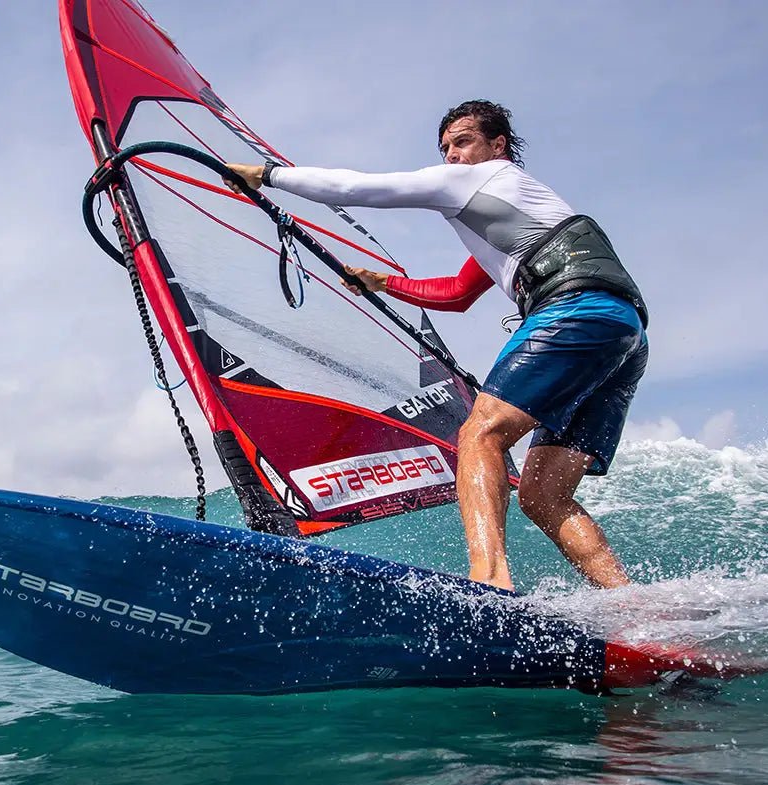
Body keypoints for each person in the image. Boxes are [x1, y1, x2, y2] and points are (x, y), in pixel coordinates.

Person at [225, 100, 647, 592]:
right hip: (622, 333)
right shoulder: (521, 216)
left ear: (497, 145)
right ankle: (630, 606)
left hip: (575, 312)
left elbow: (356, 189)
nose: (452, 156)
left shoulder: (484, 177)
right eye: (445, 148)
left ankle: (491, 582)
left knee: (479, 436)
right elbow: (458, 293)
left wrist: (266, 175)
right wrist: (384, 283)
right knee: (543, 496)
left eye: (462, 142)